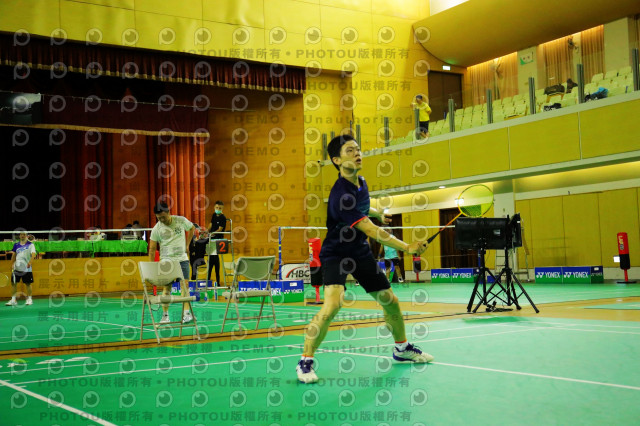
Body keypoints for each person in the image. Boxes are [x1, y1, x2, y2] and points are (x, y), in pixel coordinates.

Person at [296, 134, 434, 384]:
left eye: (358, 149)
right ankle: (305, 361)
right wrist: (407, 247)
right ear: (337, 160)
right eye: (350, 151)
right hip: (336, 253)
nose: (357, 153)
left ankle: (402, 348)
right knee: (333, 305)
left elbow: (364, 206)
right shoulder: (341, 194)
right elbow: (371, 230)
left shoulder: (361, 181)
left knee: (390, 301)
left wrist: (377, 212)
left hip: (359, 251)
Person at [148, 201, 196, 324]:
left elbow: (192, 228)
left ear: (169, 212)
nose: (162, 220)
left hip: (182, 259)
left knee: (185, 286)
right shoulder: (157, 228)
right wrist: (151, 267)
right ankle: (165, 316)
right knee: (167, 288)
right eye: (159, 218)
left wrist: (187, 245)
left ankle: (186, 314)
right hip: (166, 261)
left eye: (163, 217)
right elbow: (152, 249)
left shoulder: (180, 220)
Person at [6, 230, 37, 306]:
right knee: (13, 283)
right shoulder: (16, 245)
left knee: (28, 283)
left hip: (27, 267)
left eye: (24, 234)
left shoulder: (30, 245)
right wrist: (12, 264)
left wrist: (30, 263)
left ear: (27, 236)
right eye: (21, 234)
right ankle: (13, 300)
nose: (22, 236)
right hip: (17, 267)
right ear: (19, 236)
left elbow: (33, 254)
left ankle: (29, 299)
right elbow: (14, 255)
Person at [207, 201, 226, 285]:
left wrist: (212, 233)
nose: (218, 209)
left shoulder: (223, 217)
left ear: (222, 209)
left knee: (214, 257)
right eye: (217, 208)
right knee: (211, 258)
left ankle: (217, 281)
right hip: (211, 238)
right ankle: (209, 280)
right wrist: (207, 231)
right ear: (214, 207)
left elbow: (220, 229)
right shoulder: (214, 215)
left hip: (218, 239)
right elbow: (210, 224)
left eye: (220, 208)